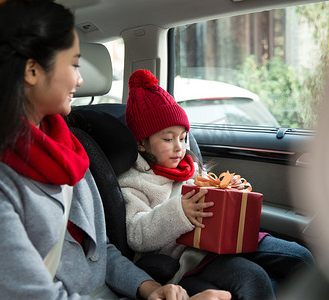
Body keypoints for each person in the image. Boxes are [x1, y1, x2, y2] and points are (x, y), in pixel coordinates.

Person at [0, 1, 232, 299]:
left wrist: (150, 289)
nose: (80, 80)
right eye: (73, 65)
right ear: (32, 70)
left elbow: (98, 251)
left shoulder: (67, 150)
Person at [118, 69, 316, 300]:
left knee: (300, 257)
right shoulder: (134, 182)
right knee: (254, 278)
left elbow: (212, 198)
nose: (179, 147)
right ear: (142, 144)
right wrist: (179, 211)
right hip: (188, 256)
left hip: (224, 242)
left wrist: (229, 191)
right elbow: (137, 235)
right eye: (167, 139)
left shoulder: (190, 166)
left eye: (183, 138)